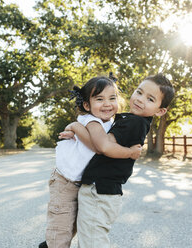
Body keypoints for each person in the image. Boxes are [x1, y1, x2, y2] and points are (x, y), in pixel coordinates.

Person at [66, 73, 175, 248]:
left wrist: (77, 127)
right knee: (89, 238)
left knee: (93, 241)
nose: (140, 99)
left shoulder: (135, 123)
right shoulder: (131, 119)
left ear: (160, 111)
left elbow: (103, 145)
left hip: (99, 190)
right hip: (101, 190)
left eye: (150, 99)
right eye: (139, 92)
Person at [39, 75, 143, 248]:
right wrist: (130, 153)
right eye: (100, 99)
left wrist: (74, 130)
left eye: (112, 98)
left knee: (73, 224)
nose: (107, 104)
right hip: (65, 181)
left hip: (81, 183)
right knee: (61, 227)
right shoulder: (91, 120)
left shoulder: (111, 124)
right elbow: (98, 147)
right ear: (87, 105)